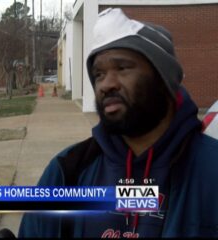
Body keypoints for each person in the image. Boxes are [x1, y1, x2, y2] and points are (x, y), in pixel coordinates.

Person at [18, 8, 218, 238]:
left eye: (122, 68)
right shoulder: (67, 172)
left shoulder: (211, 171)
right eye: (99, 74)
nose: (106, 85)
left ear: (164, 81)